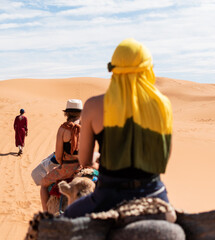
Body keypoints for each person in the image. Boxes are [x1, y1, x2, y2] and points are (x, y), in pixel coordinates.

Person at [63, 38, 173, 218]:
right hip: (154, 193)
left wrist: (101, 157)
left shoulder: (94, 105)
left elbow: (84, 160)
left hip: (108, 196)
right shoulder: (163, 105)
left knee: (64, 221)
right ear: (148, 69)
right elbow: (163, 158)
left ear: (113, 70)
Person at [40, 99, 83, 212]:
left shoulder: (63, 129)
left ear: (67, 113)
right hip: (83, 168)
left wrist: (60, 165)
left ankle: (46, 216)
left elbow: (58, 156)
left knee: (44, 184)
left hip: (67, 169)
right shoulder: (87, 128)